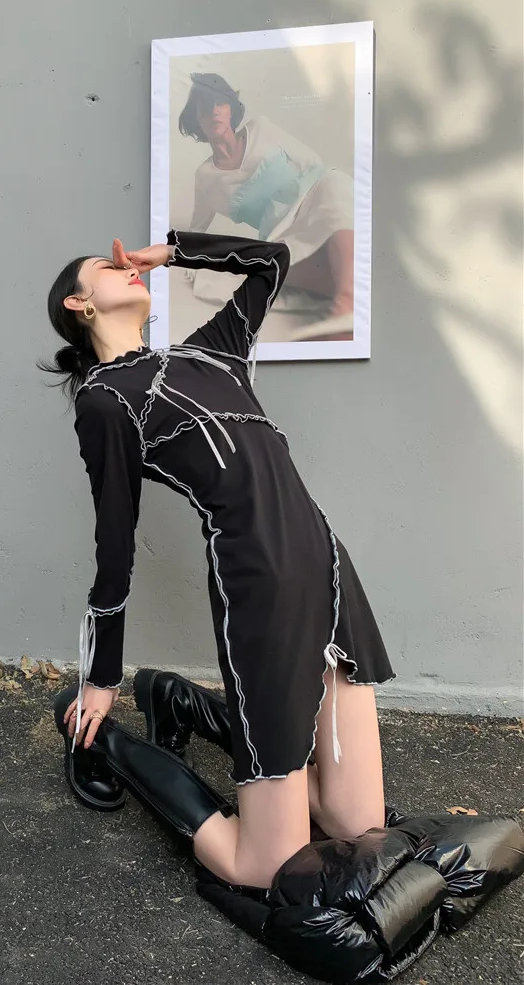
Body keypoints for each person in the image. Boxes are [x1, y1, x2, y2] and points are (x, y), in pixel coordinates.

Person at [42, 229, 395, 890]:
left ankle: (180, 703)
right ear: (78, 304)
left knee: (357, 827)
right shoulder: (105, 400)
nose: (126, 268)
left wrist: (170, 252)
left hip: (327, 568)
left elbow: (272, 261)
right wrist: (101, 676)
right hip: (256, 579)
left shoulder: (215, 351)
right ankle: (115, 747)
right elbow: (114, 541)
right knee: (264, 868)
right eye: (107, 268)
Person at [177, 73, 356, 341]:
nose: (214, 111)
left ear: (231, 109)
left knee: (334, 187)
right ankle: (346, 310)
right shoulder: (205, 177)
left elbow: (312, 163)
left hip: (315, 197)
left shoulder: (261, 128)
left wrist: (304, 198)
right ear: (197, 119)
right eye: (205, 107)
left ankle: (346, 305)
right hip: (281, 232)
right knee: (292, 266)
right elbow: (197, 229)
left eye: (220, 103)